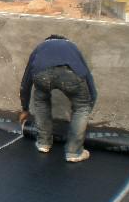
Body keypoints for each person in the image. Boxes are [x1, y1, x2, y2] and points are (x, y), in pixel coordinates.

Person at [19, 35, 97, 163]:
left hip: (41, 74)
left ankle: (43, 143)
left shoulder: (40, 48)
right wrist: (89, 105)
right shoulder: (72, 47)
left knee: (40, 101)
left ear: (47, 41)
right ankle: (74, 152)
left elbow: (25, 82)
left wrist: (25, 108)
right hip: (70, 74)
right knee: (81, 107)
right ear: (64, 40)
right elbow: (88, 76)